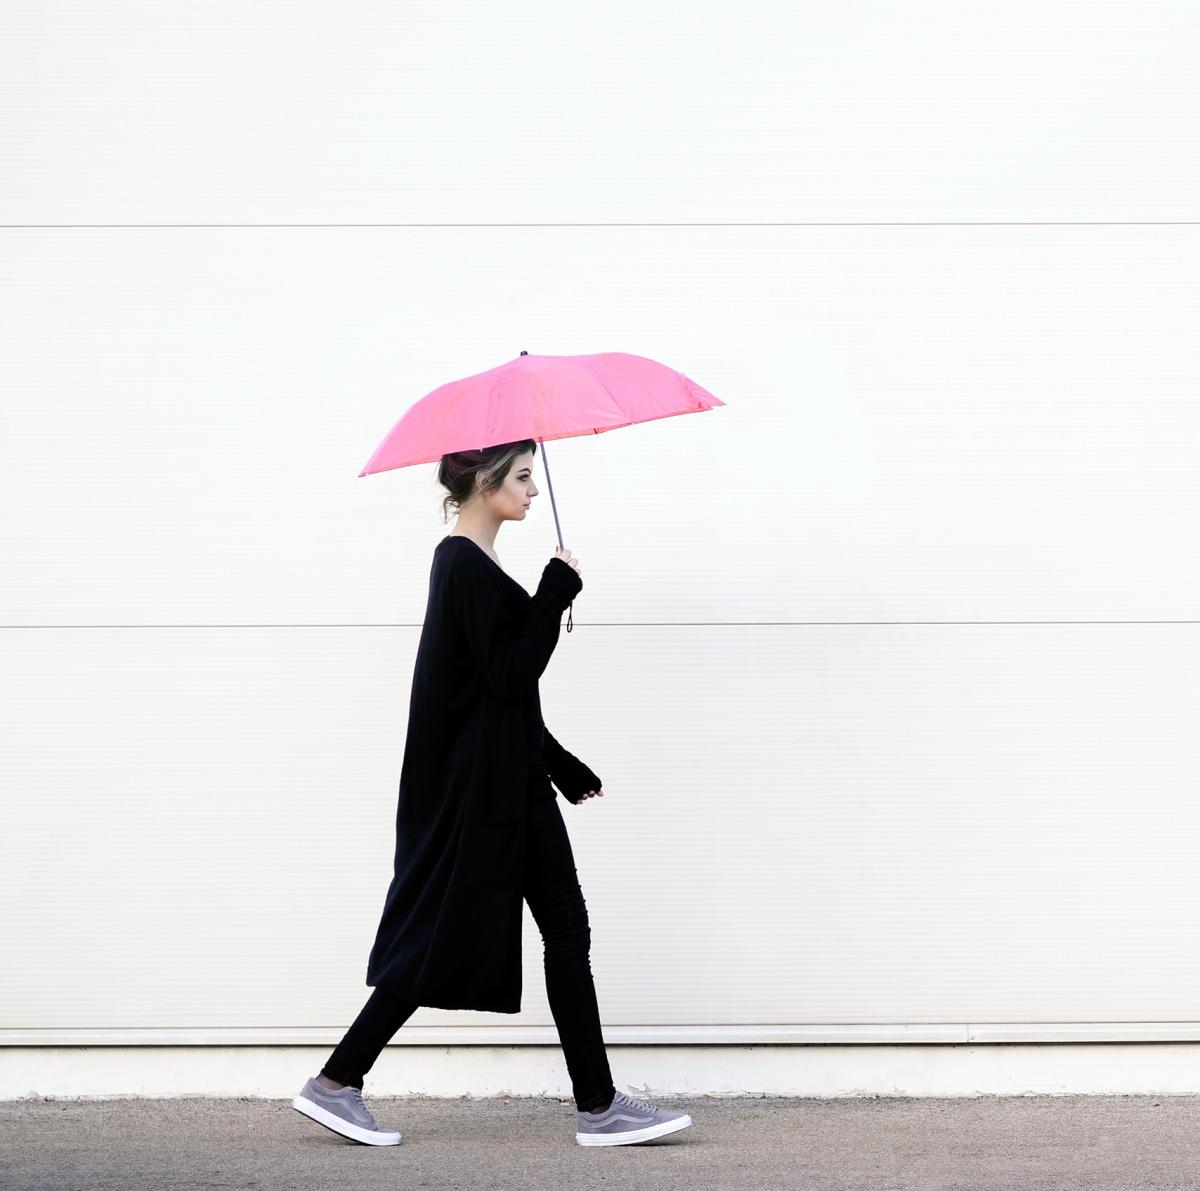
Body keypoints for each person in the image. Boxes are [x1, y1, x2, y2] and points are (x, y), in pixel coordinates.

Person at [292, 439, 693, 1148]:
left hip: (507, 781)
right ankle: (593, 1106)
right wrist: (555, 592)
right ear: (484, 483)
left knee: (528, 930)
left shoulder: (472, 562)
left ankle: (342, 1080)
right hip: (489, 792)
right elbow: (512, 673)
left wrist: (560, 765)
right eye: (521, 477)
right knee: (500, 930)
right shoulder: (462, 564)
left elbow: (495, 698)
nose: (533, 491)